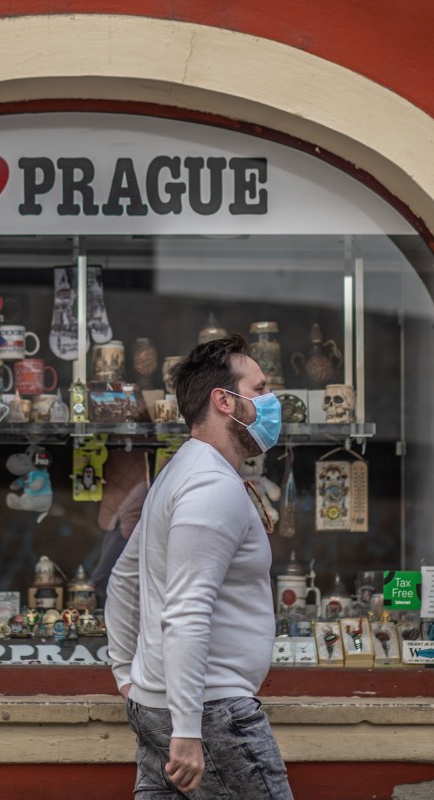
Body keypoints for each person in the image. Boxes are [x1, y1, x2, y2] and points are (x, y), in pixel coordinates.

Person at [106, 334, 292, 798]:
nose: (271, 403)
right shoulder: (210, 484)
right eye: (260, 388)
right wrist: (187, 730)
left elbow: (123, 578)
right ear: (223, 400)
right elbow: (187, 610)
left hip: (165, 704)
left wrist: (127, 674)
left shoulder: (180, 470)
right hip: (211, 712)